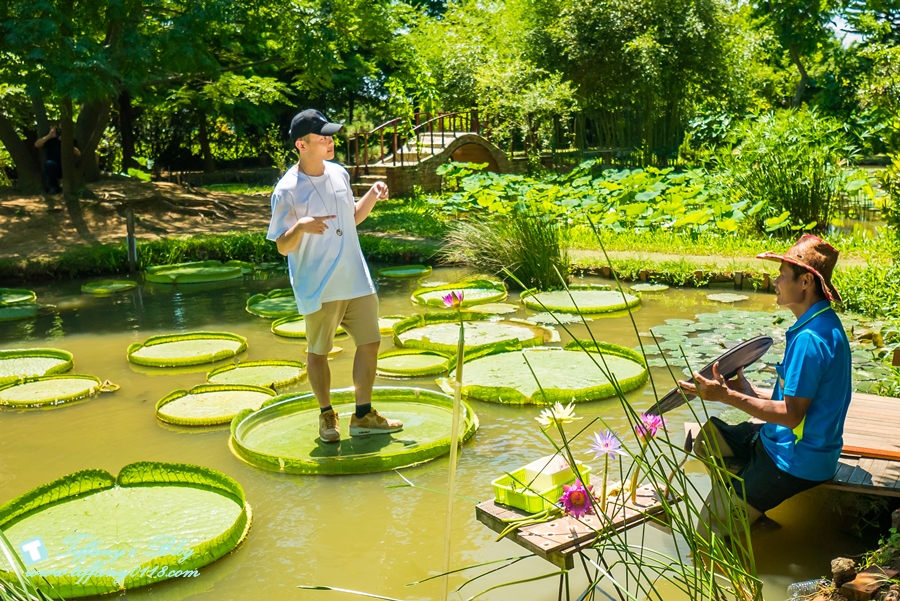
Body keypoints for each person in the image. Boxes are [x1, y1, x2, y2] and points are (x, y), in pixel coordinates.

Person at [678, 234, 852, 537]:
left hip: (795, 459)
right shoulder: (821, 324)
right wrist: (750, 393)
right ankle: (749, 511)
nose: (775, 281)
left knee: (707, 532)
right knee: (708, 439)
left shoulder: (810, 340)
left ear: (806, 283)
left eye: (782, 275)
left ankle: (736, 512)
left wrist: (727, 395)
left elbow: (791, 415)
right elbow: (801, 400)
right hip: (782, 441)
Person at [267, 108, 403, 443]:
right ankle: (327, 415)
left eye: (330, 136)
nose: (330, 142)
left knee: (370, 342)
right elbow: (283, 246)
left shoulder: (339, 173)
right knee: (318, 352)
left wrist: (372, 195)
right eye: (322, 137)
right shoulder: (287, 190)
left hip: (355, 277)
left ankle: (363, 414)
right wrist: (300, 226)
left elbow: (351, 218)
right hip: (319, 285)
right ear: (301, 144)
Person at [34, 124, 80, 194]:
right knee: (49, 164)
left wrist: (67, 143)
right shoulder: (52, 140)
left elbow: (78, 153)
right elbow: (37, 144)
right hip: (53, 166)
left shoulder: (72, 140)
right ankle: (54, 188)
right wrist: (49, 136)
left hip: (66, 167)